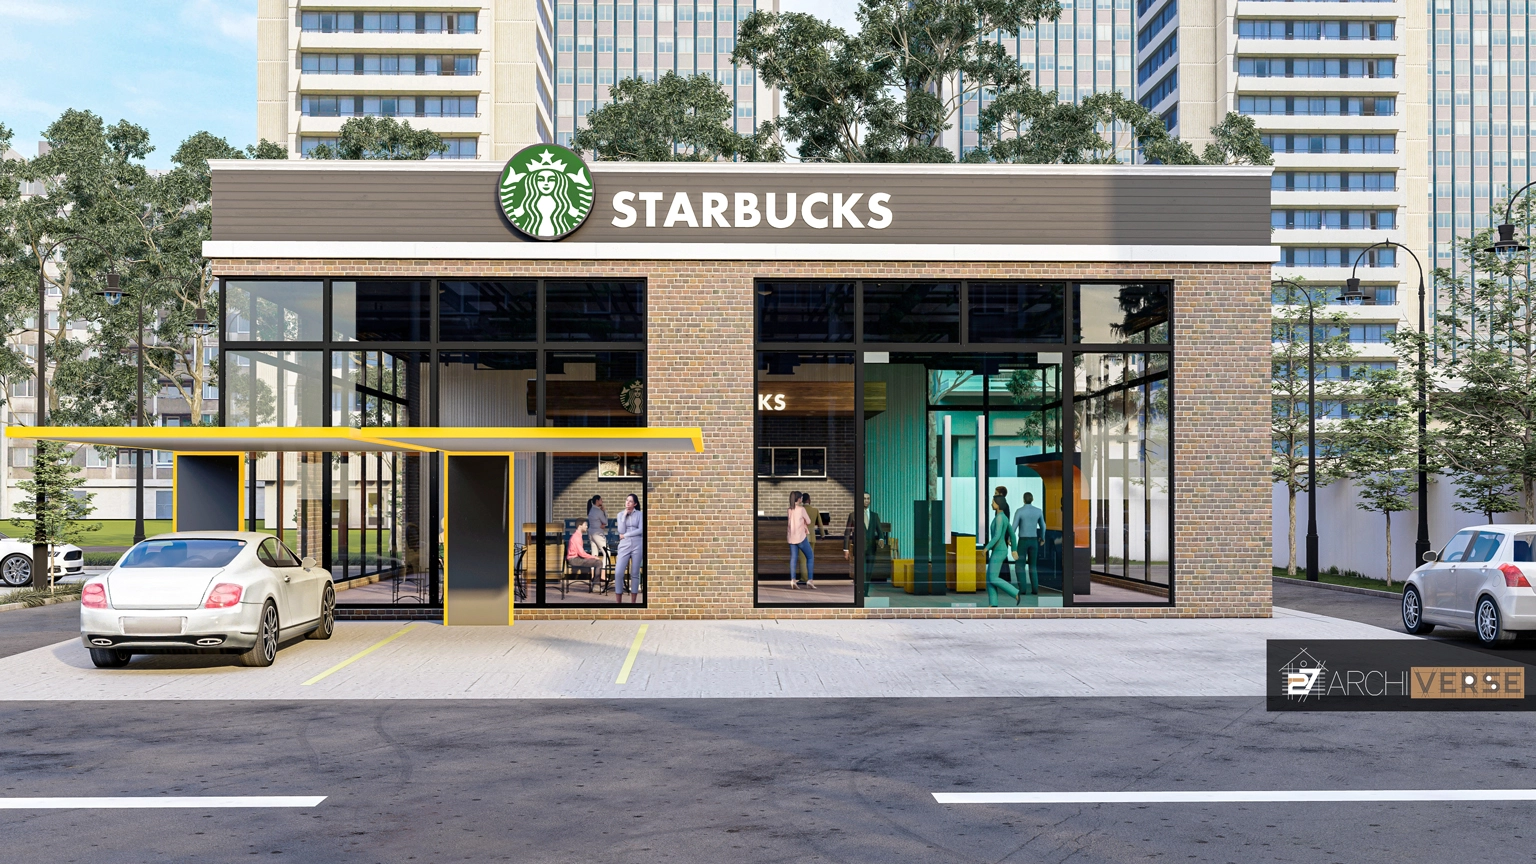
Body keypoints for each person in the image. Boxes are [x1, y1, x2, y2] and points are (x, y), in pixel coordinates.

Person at [844, 493, 887, 597]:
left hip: (871, 549)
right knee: (861, 571)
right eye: (864, 498)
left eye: (868, 498)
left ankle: (865, 593)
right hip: (859, 548)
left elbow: (880, 531)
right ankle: (860, 592)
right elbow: (847, 533)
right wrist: (845, 549)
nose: (866, 500)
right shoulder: (853, 515)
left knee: (868, 572)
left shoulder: (874, 515)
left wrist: (881, 538)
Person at [984, 494, 1020, 607]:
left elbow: (997, 535)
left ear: (998, 504)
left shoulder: (1000, 518)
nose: (991, 504)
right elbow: (1013, 535)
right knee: (989, 578)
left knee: (993, 577)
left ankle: (1015, 592)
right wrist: (1013, 549)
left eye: (993, 502)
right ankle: (993, 604)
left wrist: (987, 547)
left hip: (999, 551)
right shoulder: (1003, 517)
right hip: (1000, 550)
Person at [1011, 491, 1045, 595]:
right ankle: (1035, 589)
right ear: (1032, 499)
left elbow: (1014, 527)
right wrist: (1042, 538)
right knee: (1033, 565)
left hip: (1023, 540)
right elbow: (1043, 526)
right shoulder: (1038, 511)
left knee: (1020, 565)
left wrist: (1010, 539)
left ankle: (1023, 589)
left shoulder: (1020, 511)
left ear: (1023, 499)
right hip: (1034, 540)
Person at [613, 493, 643, 603]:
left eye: (630, 501)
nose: (627, 502)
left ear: (635, 504)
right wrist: (624, 516)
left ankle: (633, 603)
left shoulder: (640, 514)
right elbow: (621, 530)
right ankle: (618, 603)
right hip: (624, 545)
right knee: (618, 573)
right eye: (627, 500)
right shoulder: (620, 514)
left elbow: (641, 530)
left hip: (637, 543)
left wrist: (626, 535)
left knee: (635, 573)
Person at [787, 491, 815, 589]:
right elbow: (809, 521)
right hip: (801, 538)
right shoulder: (801, 509)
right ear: (799, 499)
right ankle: (810, 580)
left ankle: (793, 580)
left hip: (791, 538)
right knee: (810, 556)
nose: (802, 499)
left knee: (793, 558)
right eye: (801, 498)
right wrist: (803, 523)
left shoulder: (789, 510)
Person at [587, 495, 610, 563]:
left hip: (591, 533)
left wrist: (602, 524)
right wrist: (604, 511)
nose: (602, 501)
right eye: (601, 500)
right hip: (598, 533)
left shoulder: (591, 510)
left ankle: (593, 572)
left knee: (594, 554)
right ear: (597, 501)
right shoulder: (598, 511)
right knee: (607, 552)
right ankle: (603, 571)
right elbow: (605, 521)